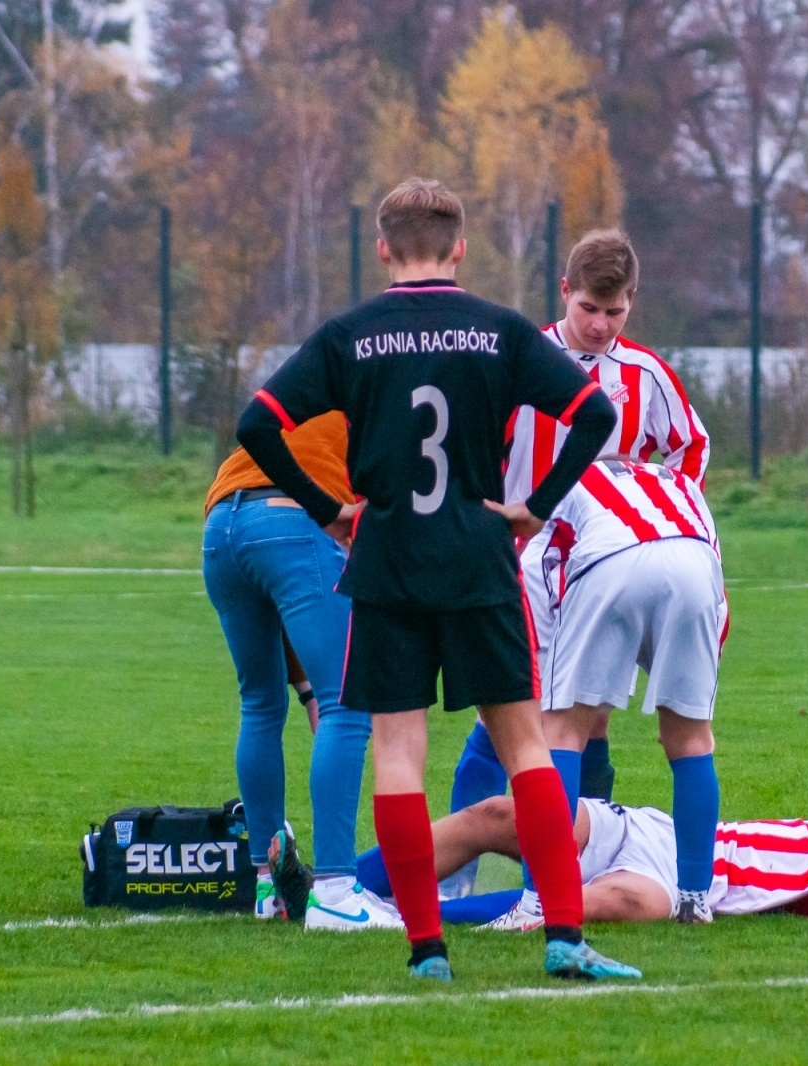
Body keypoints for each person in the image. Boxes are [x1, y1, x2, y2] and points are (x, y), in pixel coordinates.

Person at [236, 177, 638, 983]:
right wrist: (533, 508)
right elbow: (595, 414)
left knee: (397, 753)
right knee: (526, 746)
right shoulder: (499, 331)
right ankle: (563, 937)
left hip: (385, 559)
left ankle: (427, 951)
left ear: (383, 247)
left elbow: (257, 425)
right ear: (459, 248)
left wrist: (328, 510)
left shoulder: (349, 335)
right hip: (480, 557)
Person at [446, 229, 710, 890]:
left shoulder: (645, 375)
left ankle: (567, 880)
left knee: (587, 718)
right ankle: (453, 877)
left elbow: (690, 451)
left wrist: (657, 505)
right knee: (504, 715)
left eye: (614, 311)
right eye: (589, 308)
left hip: (605, 567)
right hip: (524, 567)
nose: (599, 324)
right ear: (565, 292)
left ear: (632, 304)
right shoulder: (523, 361)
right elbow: (476, 449)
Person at [356, 732, 808, 922]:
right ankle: (344, 885)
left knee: (567, 906)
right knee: (499, 816)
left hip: (683, 887)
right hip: (669, 832)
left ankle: (402, 918)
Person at [482, 457, 725, 931]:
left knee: (561, 732)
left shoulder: (568, 478)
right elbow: (715, 576)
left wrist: (545, 662)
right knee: (693, 740)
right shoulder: (678, 482)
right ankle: (696, 899)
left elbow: (535, 569)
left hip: (610, 560)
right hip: (696, 567)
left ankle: (539, 899)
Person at [201, 413, 397, 931]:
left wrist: (307, 684)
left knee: (260, 705)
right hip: (292, 518)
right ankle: (335, 890)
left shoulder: (307, 394)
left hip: (220, 525)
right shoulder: (381, 396)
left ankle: (267, 888)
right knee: (348, 705)